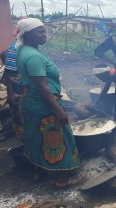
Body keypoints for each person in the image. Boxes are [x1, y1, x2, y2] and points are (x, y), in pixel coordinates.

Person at [15, 18, 80, 187]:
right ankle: (61, 179)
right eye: (40, 32)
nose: (45, 34)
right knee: (57, 140)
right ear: (27, 35)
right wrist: (59, 110)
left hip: (32, 101)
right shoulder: (33, 56)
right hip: (43, 105)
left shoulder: (25, 50)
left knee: (37, 138)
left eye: (45, 30)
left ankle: (39, 172)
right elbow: (43, 88)